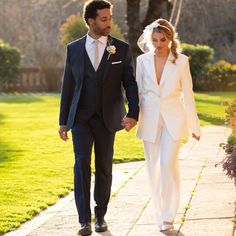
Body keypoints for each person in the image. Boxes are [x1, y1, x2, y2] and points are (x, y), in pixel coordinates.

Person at [58, 1, 139, 235]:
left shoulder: (120, 49)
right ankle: (84, 220)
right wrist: (63, 120)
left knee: (104, 168)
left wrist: (133, 113)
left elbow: (130, 84)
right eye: (103, 19)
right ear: (90, 21)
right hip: (81, 118)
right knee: (81, 163)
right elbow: (68, 86)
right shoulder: (73, 49)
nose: (108, 23)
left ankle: (100, 216)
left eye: (109, 18)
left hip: (108, 118)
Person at [136, 18, 201, 232]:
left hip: (173, 120)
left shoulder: (181, 61)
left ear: (170, 39)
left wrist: (195, 126)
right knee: (153, 169)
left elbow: (188, 95)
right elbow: (137, 92)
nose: (158, 44)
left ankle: (168, 216)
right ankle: (159, 214)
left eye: (162, 39)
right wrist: (131, 117)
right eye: (154, 40)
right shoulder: (142, 61)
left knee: (167, 166)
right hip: (149, 121)